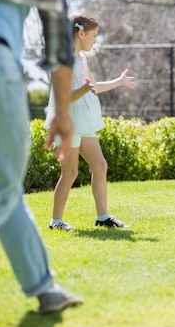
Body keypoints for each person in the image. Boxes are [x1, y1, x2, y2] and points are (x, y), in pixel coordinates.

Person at [0, 0, 83, 313]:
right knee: (3, 191)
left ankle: (45, 288)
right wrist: (62, 111)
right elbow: (58, 39)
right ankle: (45, 289)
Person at [45, 12, 136, 231]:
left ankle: (103, 217)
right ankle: (56, 221)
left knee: (100, 165)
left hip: (83, 122)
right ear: (81, 33)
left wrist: (119, 81)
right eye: (93, 36)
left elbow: (93, 87)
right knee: (70, 173)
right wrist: (85, 89)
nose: (95, 41)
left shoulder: (82, 58)